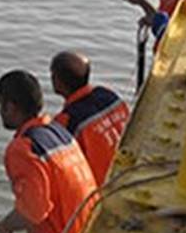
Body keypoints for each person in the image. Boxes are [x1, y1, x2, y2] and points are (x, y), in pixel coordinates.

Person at [0, 69, 97, 233]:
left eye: (0, 104)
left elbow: (34, 211)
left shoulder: (22, 149)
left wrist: (3, 227)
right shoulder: (58, 131)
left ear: (10, 106)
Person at [50, 51, 130, 186]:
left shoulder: (67, 121)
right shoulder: (109, 95)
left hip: (104, 187)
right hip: (131, 170)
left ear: (57, 80)